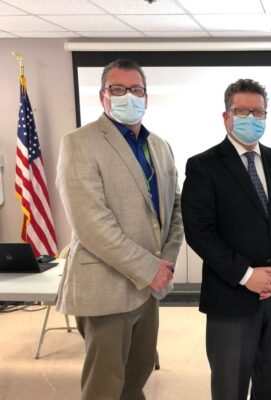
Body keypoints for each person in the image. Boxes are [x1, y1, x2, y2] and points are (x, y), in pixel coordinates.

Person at [55, 58, 184, 399]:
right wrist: (148, 268)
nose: (129, 96)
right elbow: (91, 225)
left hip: (150, 287)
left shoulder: (160, 146)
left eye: (136, 89)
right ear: (103, 97)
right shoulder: (80, 143)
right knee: (105, 387)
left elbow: (175, 210)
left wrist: (165, 263)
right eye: (118, 89)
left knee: (136, 380)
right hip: (106, 289)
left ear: (147, 96)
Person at [181, 78, 271, 400]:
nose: (251, 118)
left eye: (258, 112)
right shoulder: (203, 166)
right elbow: (200, 233)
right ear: (226, 116)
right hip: (232, 299)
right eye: (242, 111)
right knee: (229, 389)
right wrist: (247, 275)